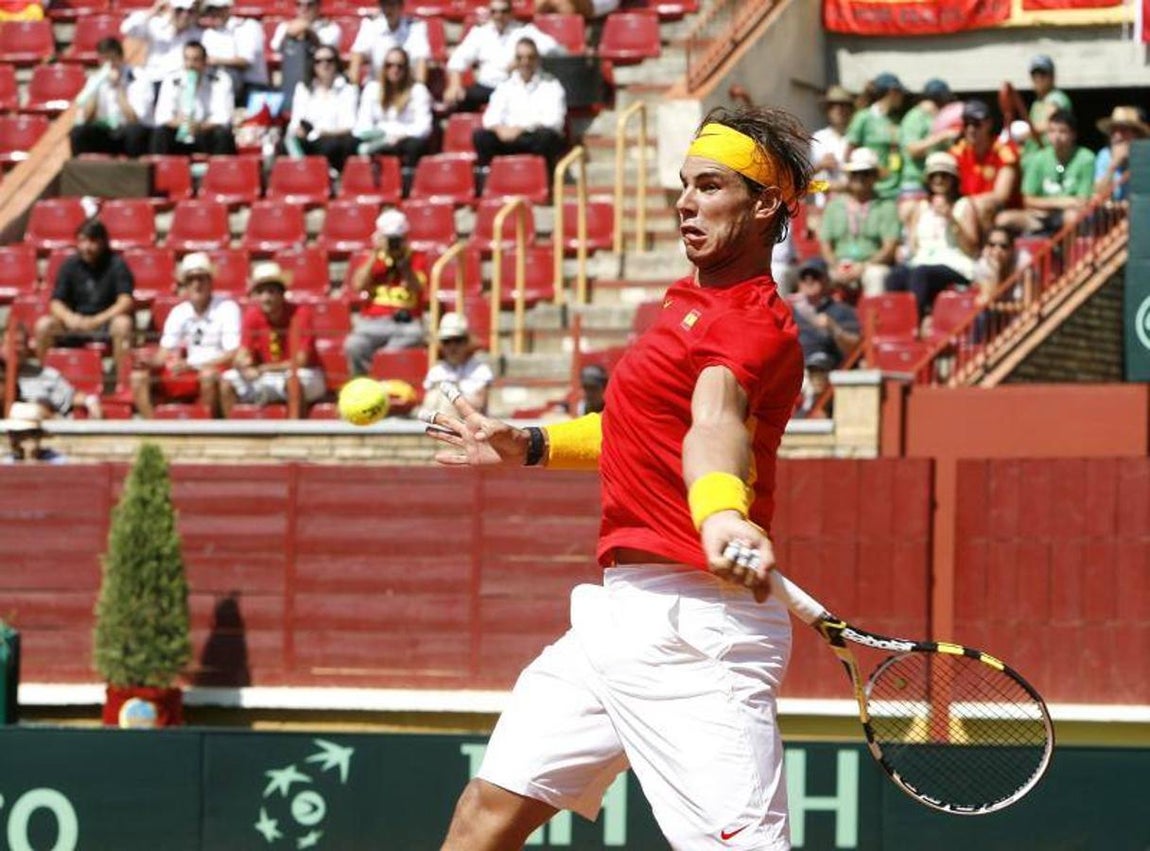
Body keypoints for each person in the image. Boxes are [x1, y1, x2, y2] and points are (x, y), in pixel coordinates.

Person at [428, 105, 811, 850]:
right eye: (684, 185)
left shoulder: (753, 325)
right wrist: (532, 443)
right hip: (615, 620)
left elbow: (715, 426)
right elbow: (642, 430)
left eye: (709, 186)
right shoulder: (686, 306)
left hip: (700, 633)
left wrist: (722, 513)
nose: (685, 202)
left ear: (766, 204)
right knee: (486, 814)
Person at [131, 252, 241, 419]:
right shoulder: (179, 312)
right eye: (191, 280)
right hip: (189, 369)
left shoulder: (227, 307)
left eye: (201, 279)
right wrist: (150, 362)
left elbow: (232, 353)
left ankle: (206, 431)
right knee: (138, 377)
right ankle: (155, 430)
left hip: (216, 368)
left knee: (208, 375)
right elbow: (165, 351)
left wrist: (192, 365)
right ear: (185, 284)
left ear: (210, 281)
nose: (196, 284)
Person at [220, 262, 325, 416]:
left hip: (305, 374)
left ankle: (295, 435)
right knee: (227, 382)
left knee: (293, 382)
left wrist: (264, 369)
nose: (266, 298)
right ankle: (232, 435)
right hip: (266, 376)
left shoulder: (301, 314)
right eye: (260, 292)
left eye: (271, 291)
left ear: (282, 294)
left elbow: (301, 361)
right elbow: (243, 353)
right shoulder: (252, 315)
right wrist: (243, 365)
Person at [885, 151, 979, 317]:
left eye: (944, 175)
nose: (939, 180)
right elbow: (914, 247)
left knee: (921, 273)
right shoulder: (920, 208)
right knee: (895, 276)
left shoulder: (964, 205)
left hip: (955, 265)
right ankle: (895, 324)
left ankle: (914, 322)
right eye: (934, 175)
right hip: (922, 261)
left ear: (953, 179)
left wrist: (951, 219)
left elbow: (971, 248)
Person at [35, 219, 135, 366]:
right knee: (43, 325)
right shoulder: (69, 265)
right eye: (82, 241)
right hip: (75, 323)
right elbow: (56, 302)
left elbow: (125, 301)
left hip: (105, 323)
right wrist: (70, 318)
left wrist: (97, 320)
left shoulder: (117, 264)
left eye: (92, 241)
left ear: (103, 242)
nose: (86, 247)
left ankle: (122, 383)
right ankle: (45, 380)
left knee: (123, 324)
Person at [343, 209, 429, 376]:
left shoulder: (417, 258)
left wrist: (404, 265)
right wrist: (375, 254)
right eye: (390, 239)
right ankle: (364, 386)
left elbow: (417, 288)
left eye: (397, 239)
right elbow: (358, 285)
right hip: (373, 321)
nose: (394, 243)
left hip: (405, 322)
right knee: (353, 344)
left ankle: (384, 378)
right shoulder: (373, 259)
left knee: (414, 336)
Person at [443, 0, 563, 112]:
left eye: (503, 11)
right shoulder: (480, 33)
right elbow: (457, 59)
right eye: (494, 11)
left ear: (511, 13)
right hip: (486, 86)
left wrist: (522, 61)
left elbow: (553, 48)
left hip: (514, 86)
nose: (498, 16)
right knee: (457, 100)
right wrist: (454, 85)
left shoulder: (524, 31)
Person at [472, 37, 567, 175]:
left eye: (530, 57)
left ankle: (542, 182)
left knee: (546, 137)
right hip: (507, 138)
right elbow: (490, 118)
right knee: (481, 137)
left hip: (533, 137)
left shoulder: (551, 85)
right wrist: (499, 129)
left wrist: (521, 129)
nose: (525, 62)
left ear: (537, 59)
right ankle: (489, 183)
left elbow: (555, 121)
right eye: (520, 57)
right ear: (515, 60)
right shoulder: (505, 86)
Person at [818, 147, 901, 298]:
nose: (860, 178)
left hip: (871, 264)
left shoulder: (886, 206)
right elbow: (825, 246)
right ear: (849, 176)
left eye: (866, 173)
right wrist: (835, 266)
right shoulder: (834, 206)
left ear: (875, 177)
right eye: (855, 173)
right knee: (818, 276)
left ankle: (874, 319)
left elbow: (889, 248)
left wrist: (863, 266)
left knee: (876, 275)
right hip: (839, 264)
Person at [1009, 109, 1095, 236]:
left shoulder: (1086, 158)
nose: (1056, 136)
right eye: (1052, 131)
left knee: (1072, 217)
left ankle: (1069, 255)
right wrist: (1062, 202)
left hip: (1070, 216)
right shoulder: (1037, 159)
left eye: (1062, 131)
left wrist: (1045, 204)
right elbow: (1028, 200)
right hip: (1041, 216)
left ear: (1073, 134)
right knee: (1005, 219)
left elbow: (1082, 201)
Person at [69, 37, 155, 158]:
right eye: (104, 60)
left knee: (134, 132)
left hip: (128, 131)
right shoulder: (95, 79)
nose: (109, 65)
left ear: (120, 58)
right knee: (78, 132)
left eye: (112, 59)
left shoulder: (138, 77)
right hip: (107, 131)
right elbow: (85, 118)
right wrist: (95, 91)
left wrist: (118, 87)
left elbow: (134, 119)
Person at [353, 46, 433, 173]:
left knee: (415, 145)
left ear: (406, 68)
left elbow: (424, 127)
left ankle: (408, 182)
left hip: (405, 139)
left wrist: (400, 135)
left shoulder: (418, 90)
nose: (394, 70)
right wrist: (383, 136)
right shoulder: (372, 89)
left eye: (399, 66)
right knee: (352, 143)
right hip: (378, 138)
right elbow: (362, 124)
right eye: (389, 65)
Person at [150, 40, 238, 155]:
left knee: (223, 135)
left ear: (204, 62)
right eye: (187, 59)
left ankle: (220, 172)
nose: (190, 65)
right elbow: (162, 116)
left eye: (196, 60)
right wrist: (182, 124)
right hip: (180, 132)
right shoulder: (172, 80)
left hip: (206, 133)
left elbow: (223, 117)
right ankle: (161, 171)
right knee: (160, 133)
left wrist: (200, 126)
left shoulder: (220, 80)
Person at [949, 99, 1021, 233]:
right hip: (966, 207)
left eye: (976, 124)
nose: (971, 129)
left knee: (982, 208)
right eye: (966, 124)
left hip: (1000, 211)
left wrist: (968, 205)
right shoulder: (957, 152)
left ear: (988, 124)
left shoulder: (1003, 151)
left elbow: (1001, 195)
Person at [284, 45, 359, 173]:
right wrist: (299, 130)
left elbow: (349, 125)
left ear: (336, 63)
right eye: (319, 61)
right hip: (310, 139)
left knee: (335, 145)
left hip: (335, 139)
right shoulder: (303, 88)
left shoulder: (348, 89)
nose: (324, 65)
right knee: (286, 143)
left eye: (329, 60)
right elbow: (296, 121)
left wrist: (324, 132)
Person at [0, 323, 99, 419]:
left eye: (20, 344)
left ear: (27, 348)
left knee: (34, 412)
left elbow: (71, 398)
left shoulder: (46, 375)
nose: (16, 349)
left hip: (43, 428)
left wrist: (90, 401)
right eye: (10, 344)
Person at [897, 78, 959, 222]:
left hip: (938, 182)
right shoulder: (915, 116)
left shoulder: (940, 117)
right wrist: (941, 137)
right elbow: (912, 149)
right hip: (915, 182)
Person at [843, 71, 905, 202]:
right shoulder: (863, 117)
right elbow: (848, 153)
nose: (902, 97)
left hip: (895, 191)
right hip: (870, 192)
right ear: (891, 92)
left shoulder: (895, 121)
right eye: (900, 92)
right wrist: (853, 184)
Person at [418, 312, 494, 418]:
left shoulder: (481, 370)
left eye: (458, 340)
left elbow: (480, 406)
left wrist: (454, 397)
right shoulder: (436, 372)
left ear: (467, 341)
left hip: (470, 426)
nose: (452, 347)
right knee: (433, 397)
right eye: (447, 341)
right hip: (438, 426)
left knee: (447, 401)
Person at [270, 0, 342, 111]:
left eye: (309, 5)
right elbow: (275, 48)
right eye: (299, 4)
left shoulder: (330, 28)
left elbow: (327, 53)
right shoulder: (284, 27)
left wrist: (308, 30)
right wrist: (289, 33)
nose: (304, 8)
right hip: (291, 82)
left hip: (320, 87)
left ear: (318, 6)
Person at [788, 256, 859, 368]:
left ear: (827, 280)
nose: (809, 279)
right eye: (804, 276)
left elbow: (856, 350)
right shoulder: (789, 311)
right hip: (794, 371)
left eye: (815, 276)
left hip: (826, 373)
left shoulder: (842, 310)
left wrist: (835, 329)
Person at [120, 0, 203, 91]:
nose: (184, 15)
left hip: (178, 84)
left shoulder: (197, 34)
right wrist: (152, 11)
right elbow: (127, 29)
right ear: (170, 9)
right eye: (179, 10)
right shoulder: (156, 25)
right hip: (153, 80)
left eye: (189, 11)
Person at [197, 0, 268, 106]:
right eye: (211, 10)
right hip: (222, 88)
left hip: (251, 88)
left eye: (218, 9)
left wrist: (214, 61)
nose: (214, 13)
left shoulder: (248, 26)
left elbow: (246, 61)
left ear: (228, 9)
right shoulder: (210, 33)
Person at [347, 0, 430, 85]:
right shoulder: (371, 25)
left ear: (401, 6)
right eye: (384, 5)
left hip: (406, 87)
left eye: (392, 4)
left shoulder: (416, 28)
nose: (387, 9)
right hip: (377, 84)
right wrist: (353, 87)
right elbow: (357, 55)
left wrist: (420, 88)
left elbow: (421, 62)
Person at [809, 84, 855, 205]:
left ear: (850, 110)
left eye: (843, 105)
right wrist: (820, 166)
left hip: (854, 205)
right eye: (833, 105)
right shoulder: (818, 138)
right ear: (827, 110)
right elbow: (807, 183)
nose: (839, 109)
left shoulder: (857, 138)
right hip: (824, 207)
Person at [1023, 54, 1072, 163]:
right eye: (1034, 74)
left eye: (1043, 74)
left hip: (1051, 161)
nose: (1038, 78)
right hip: (1033, 160)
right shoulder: (1037, 102)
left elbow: (1050, 124)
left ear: (1052, 76)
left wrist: (1023, 132)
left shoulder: (1056, 98)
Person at [1094, 105, 1147, 203]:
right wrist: (1113, 166)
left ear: (1137, 134)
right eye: (1114, 130)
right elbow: (1099, 195)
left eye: (1124, 130)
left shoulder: (1146, 156)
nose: (1117, 135)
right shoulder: (1104, 155)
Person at [1, 402, 66, 464]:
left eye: (32, 433)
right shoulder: (8, 461)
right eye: (14, 434)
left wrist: (30, 457)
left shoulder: (56, 460)